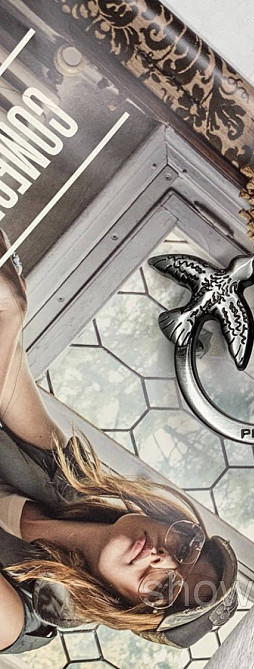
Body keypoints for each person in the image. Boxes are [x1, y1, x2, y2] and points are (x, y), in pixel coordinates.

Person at [0, 231, 238, 654]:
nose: (164, 559)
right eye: (186, 546)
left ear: (128, 609)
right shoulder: (75, 482)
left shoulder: (19, 617)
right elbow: (8, 386)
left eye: (165, 587)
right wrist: (12, 313)